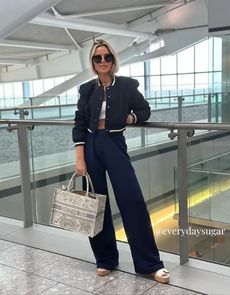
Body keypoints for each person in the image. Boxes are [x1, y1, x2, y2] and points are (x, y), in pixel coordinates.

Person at [72, 39, 170, 284]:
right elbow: (80, 123)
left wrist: (131, 116)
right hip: (92, 146)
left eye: (107, 57)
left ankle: (149, 264)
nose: (103, 61)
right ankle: (105, 259)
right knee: (97, 203)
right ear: (93, 63)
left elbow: (145, 110)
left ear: (113, 60)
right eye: (98, 58)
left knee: (132, 200)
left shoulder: (127, 85)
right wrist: (80, 158)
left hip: (115, 144)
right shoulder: (87, 89)